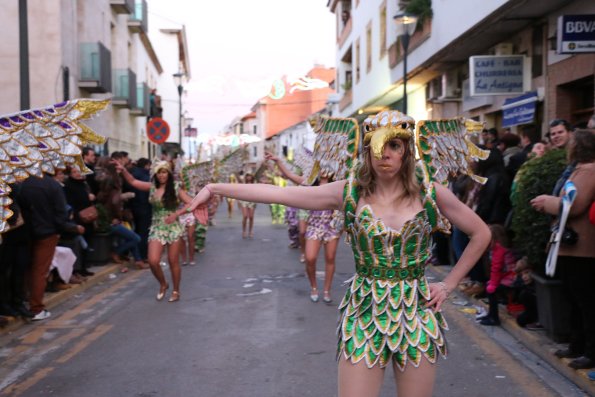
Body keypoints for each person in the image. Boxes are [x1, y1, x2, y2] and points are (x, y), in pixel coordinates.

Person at [186, 112, 491, 397]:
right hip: (364, 311)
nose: (384, 154)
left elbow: (481, 233)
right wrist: (214, 188)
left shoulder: (430, 193)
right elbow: (283, 194)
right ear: (366, 151)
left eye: (394, 145)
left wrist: (448, 285)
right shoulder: (348, 192)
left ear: (406, 151)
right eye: (376, 146)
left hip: (416, 312)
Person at [530, 129, 595, 370]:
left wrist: (548, 202)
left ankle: (589, 350)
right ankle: (577, 344)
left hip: (582, 247)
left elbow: (574, 204)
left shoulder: (589, 171)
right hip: (572, 247)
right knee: (574, 298)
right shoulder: (582, 169)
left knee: (585, 301)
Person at [265, 151, 341, 303]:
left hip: (332, 226)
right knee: (310, 258)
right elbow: (291, 176)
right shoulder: (311, 183)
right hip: (314, 225)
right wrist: (279, 161)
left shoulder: (337, 184)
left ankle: (326, 290)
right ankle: (314, 286)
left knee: (330, 258)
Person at [114, 160, 193, 302]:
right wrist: (123, 170)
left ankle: (176, 291)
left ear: (168, 174)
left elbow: (191, 203)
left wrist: (176, 214)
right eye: (159, 173)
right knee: (153, 260)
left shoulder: (176, 188)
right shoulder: (152, 187)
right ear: (155, 175)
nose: (162, 175)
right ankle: (163, 284)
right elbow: (133, 182)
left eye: (164, 172)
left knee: (173, 261)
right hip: (157, 227)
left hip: (173, 227)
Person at [478, 224, 518, 326]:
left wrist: (493, 285)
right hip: (507, 277)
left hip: (511, 278)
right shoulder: (497, 248)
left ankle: (494, 318)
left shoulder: (499, 250)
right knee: (489, 288)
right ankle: (491, 314)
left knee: (491, 291)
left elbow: (496, 269)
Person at [238, 173, 257, 239]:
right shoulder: (243, 184)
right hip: (244, 201)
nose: (249, 177)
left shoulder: (255, 184)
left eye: (250, 176)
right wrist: (239, 202)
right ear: (246, 177)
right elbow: (239, 192)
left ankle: (250, 231)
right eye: (248, 176)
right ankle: (244, 231)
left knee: (251, 217)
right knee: (245, 216)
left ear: (252, 177)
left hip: (252, 201)